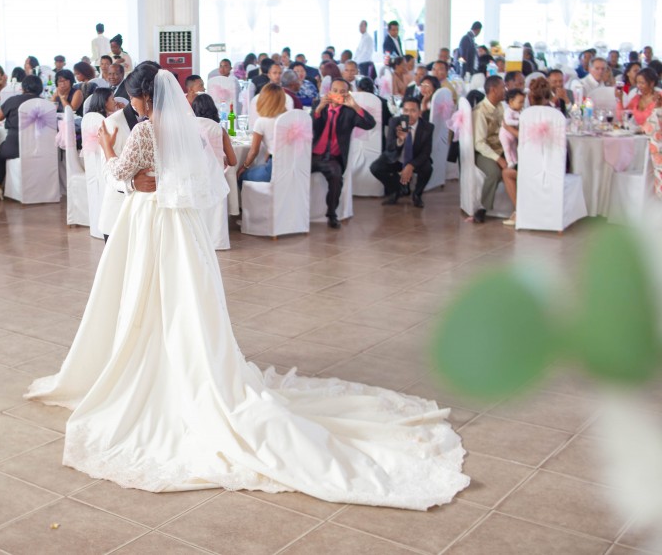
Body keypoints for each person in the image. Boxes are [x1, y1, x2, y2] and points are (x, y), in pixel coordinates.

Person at [25, 61, 468, 509]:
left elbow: (121, 175)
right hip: (181, 226)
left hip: (151, 222)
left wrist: (104, 147)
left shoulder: (143, 131)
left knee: (149, 295)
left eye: (131, 98)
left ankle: (154, 364)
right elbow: (200, 175)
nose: (130, 105)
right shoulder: (185, 129)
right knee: (183, 300)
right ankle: (184, 358)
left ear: (143, 98)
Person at [311, 78, 377, 228]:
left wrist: (354, 105)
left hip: (333, 158)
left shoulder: (349, 111)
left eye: (342, 92)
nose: (337, 94)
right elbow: (310, 127)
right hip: (313, 155)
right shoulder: (318, 105)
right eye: (335, 91)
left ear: (347, 94)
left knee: (336, 177)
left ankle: (332, 214)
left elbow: (370, 124)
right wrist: (319, 109)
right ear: (329, 92)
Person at [370, 96, 432, 208]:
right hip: (396, 158)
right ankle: (396, 190)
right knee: (375, 167)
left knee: (428, 168)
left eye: (413, 110)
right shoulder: (395, 122)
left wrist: (411, 166)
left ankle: (417, 195)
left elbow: (426, 153)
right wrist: (400, 140)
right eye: (406, 110)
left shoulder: (427, 127)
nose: (409, 114)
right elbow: (389, 147)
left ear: (419, 112)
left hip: (414, 159)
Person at [0, 74, 43, 200]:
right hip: (39, 146)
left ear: (23, 87)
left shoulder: (13, 100)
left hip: (15, 146)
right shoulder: (44, 103)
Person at [472, 76, 507, 224]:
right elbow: (479, 144)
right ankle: (482, 208)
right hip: (484, 152)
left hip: (502, 148)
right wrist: (498, 158)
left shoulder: (500, 106)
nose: (505, 90)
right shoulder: (480, 111)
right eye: (502, 87)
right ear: (493, 90)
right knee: (494, 173)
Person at [236, 83, 287, 184]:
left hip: (273, 169)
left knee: (241, 176)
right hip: (293, 167)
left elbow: (254, 151)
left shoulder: (262, 121)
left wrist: (245, 166)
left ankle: (250, 200)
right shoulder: (289, 117)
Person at [499, 88, 525, 170]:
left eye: (523, 102)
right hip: (505, 135)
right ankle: (509, 161)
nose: (522, 105)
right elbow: (507, 121)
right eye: (520, 102)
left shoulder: (520, 111)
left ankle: (515, 161)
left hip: (513, 134)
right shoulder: (508, 111)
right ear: (511, 102)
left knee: (514, 148)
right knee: (507, 149)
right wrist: (518, 122)